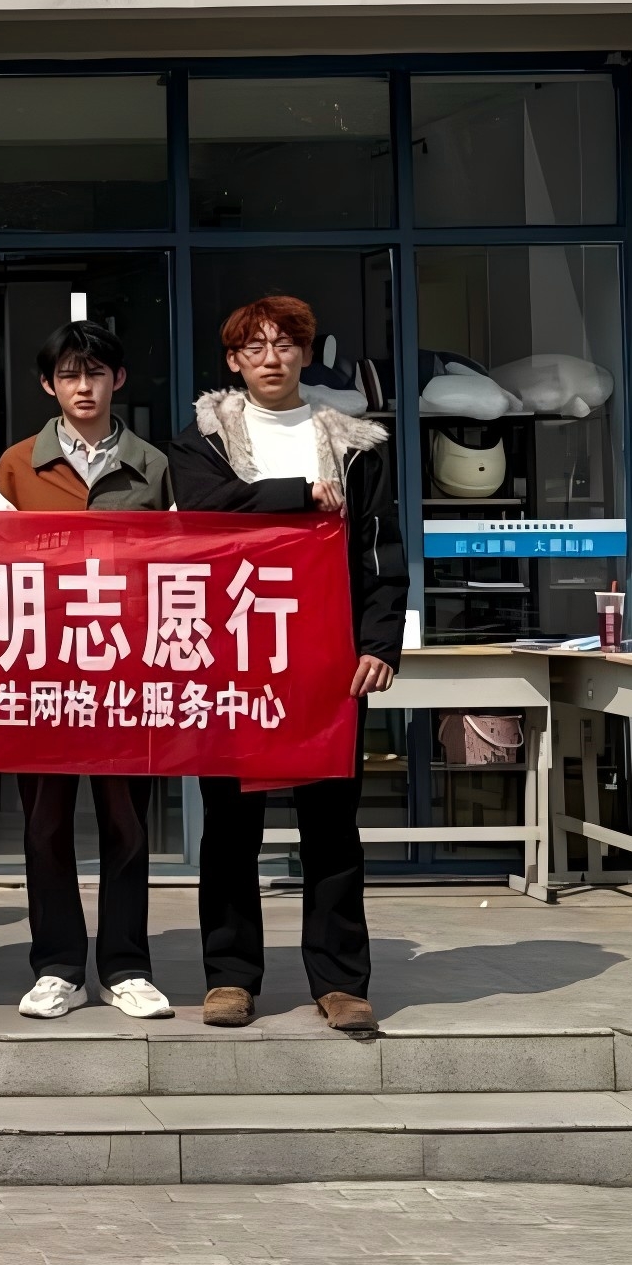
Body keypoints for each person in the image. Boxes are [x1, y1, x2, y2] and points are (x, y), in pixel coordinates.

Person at [171, 294, 404, 1037]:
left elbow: (381, 552)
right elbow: (207, 510)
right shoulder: (205, 440)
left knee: (331, 824)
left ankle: (340, 981)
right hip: (233, 656)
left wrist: (378, 644)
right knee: (229, 824)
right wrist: (298, 495)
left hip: (327, 660)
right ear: (233, 361)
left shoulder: (354, 444)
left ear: (305, 354)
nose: (270, 358)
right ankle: (230, 976)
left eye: (284, 345)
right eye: (255, 347)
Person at [0, 320, 176, 1023]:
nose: (83, 386)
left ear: (117, 379)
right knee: (46, 823)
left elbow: (177, 568)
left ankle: (127, 967)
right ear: (49, 385)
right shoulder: (16, 467)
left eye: (95, 373)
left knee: (127, 823)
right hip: (42, 670)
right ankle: (58, 968)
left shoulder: (153, 466)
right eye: (69, 374)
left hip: (127, 672)